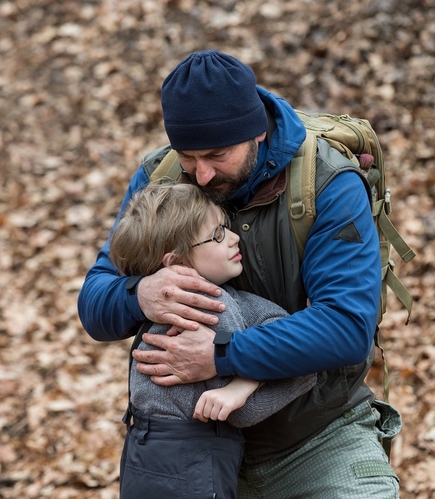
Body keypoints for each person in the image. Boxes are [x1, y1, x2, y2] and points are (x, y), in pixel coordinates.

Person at [78, 50, 402, 498]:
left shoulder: (327, 182)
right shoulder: (160, 178)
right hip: (197, 453)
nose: (203, 175)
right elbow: (94, 303)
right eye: (188, 156)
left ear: (259, 131)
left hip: (320, 435)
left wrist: (219, 355)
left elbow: (347, 328)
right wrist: (139, 293)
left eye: (217, 154)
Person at [110, 180, 317, 498]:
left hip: (141, 458)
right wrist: (304, 370)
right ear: (177, 263)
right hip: (189, 473)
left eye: (227, 227)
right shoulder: (208, 309)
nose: (235, 238)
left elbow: (270, 321)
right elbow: (242, 411)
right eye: (219, 234)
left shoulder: (160, 307)